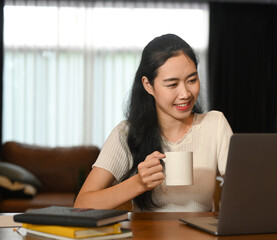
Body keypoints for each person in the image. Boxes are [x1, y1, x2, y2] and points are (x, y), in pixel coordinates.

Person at [74, 34, 233, 212]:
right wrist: (138, 183)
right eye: (172, 84)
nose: (185, 94)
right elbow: (82, 203)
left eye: (192, 80)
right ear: (148, 85)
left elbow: (241, 187)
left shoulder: (215, 124)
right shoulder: (126, 133)